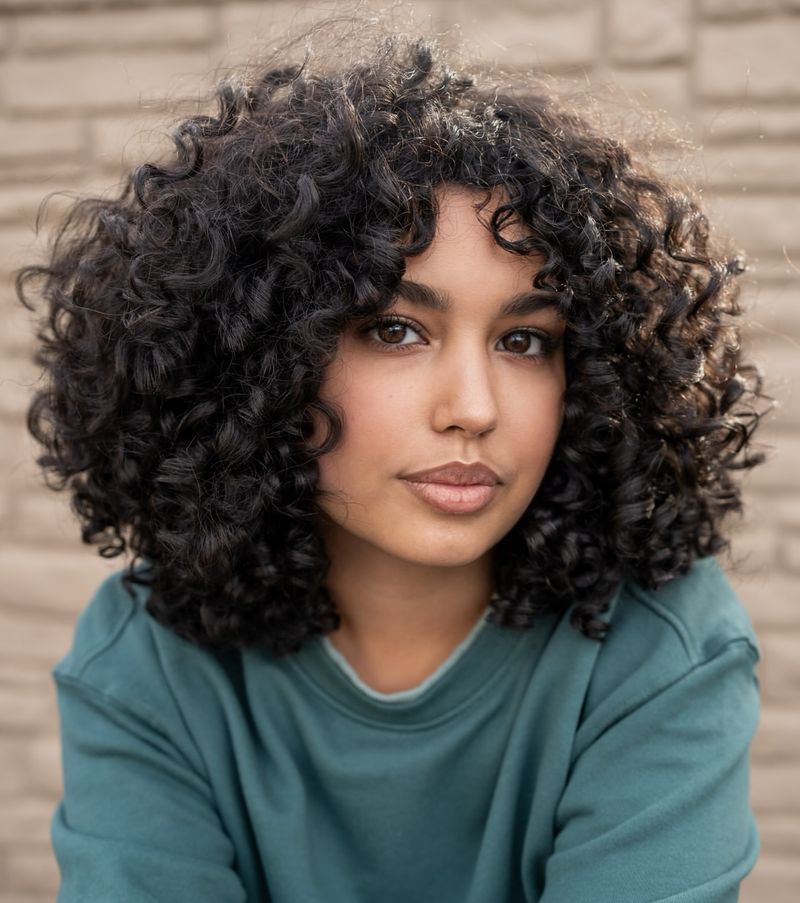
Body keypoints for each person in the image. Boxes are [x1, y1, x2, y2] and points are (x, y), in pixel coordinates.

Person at [18, 16, 770, 903]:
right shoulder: (147, 660)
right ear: (258, 357)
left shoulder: (659, 642)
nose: (474, 409)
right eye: (395, 329)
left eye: (526, 340)